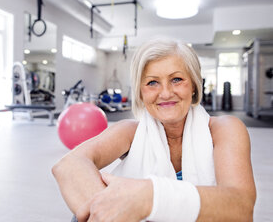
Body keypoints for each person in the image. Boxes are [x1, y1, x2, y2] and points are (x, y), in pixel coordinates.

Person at [52, 38, 256, 222]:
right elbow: (68, 165)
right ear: (141, 92)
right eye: (152, 83)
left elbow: (241, 207)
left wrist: (150, 197)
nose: (165, 93)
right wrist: (113, 207)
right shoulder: (130, 131)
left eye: (176, 79)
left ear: (193, 85)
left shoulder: (224, 129)